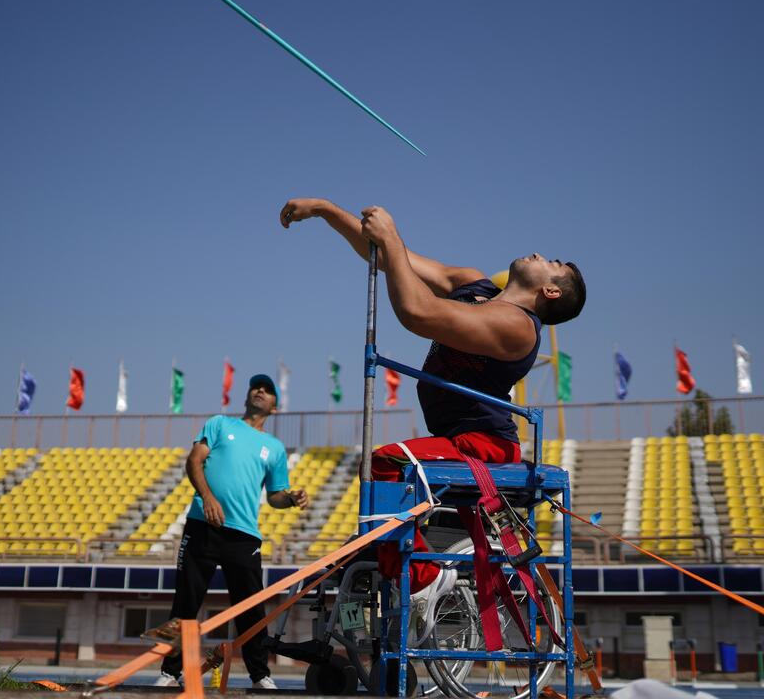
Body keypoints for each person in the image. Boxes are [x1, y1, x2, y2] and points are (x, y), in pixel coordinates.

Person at [279, 197, 585, 618]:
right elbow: (389, 258)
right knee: (382, 497)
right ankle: (391, 571)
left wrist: (391, 234)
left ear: (549, 291)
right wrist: (327, 211)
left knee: (386, 463)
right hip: (453, 436)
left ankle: (423, 581)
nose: (539, 253)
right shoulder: (475, 284)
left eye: (551, 263)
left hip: (485, 444)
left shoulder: (519, 328)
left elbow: (418, 313)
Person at [154, 374, 309, 689]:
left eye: (267, 390)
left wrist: (291, 498)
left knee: (251, 606)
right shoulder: (220, 424)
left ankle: (260, 675)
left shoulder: (275, 448)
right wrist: (208, 498)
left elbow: (275, 495)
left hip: (244, 536)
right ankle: (169, 672)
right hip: (202, 526)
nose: (260, 391)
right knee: (185, 602)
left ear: (275, 407)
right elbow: (193, 462)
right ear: (247, 396)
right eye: (256, 387)